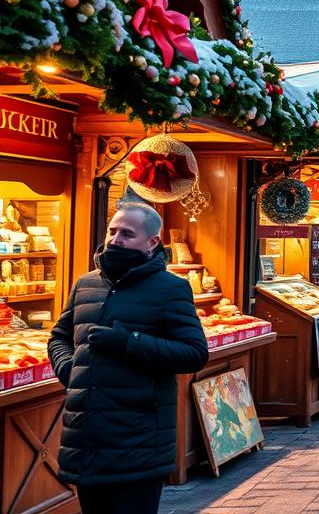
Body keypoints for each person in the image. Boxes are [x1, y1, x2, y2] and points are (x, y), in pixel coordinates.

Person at [47, 202, 209, 514]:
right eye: (112, 231)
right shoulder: (86, 283)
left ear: (152, 242)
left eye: (127, 234)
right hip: (86, 439)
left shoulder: (171, 288)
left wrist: (129, 343)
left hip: (139, 440)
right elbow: (59, 337)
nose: (115, 239)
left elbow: (193, 353)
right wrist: (70, 369)